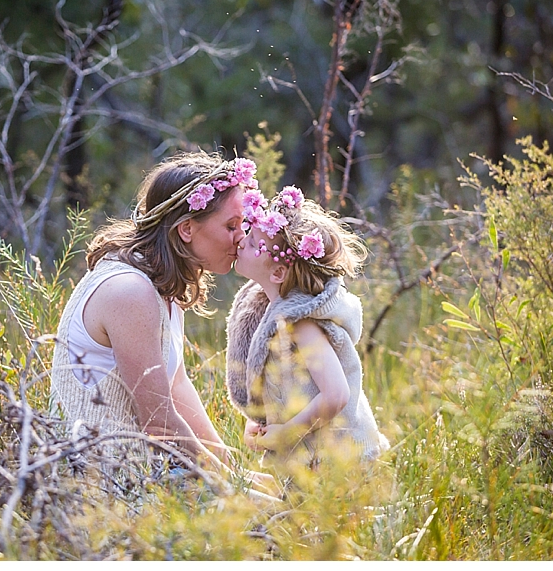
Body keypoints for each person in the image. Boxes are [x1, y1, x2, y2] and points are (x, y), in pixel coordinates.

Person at [49, 151, 276, 492]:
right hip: (101, 483)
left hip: (139, 470)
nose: (241, 237)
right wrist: (235, 487)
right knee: (278, 522)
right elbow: (160, 423)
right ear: (186, 229)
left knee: (283, 502)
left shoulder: (161, 282)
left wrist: (235, 471)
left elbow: (176, 386)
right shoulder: (129, 291)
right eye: (231, 226)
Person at [226, 185, 390, 468]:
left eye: (253, 243)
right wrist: (264, 424)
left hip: (339, 461)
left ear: (278, 272)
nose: (242, 242)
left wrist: (287, 433)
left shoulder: (302, 324)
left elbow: (336, 394)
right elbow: (284, 384)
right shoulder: (269, 311)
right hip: (311, 460)